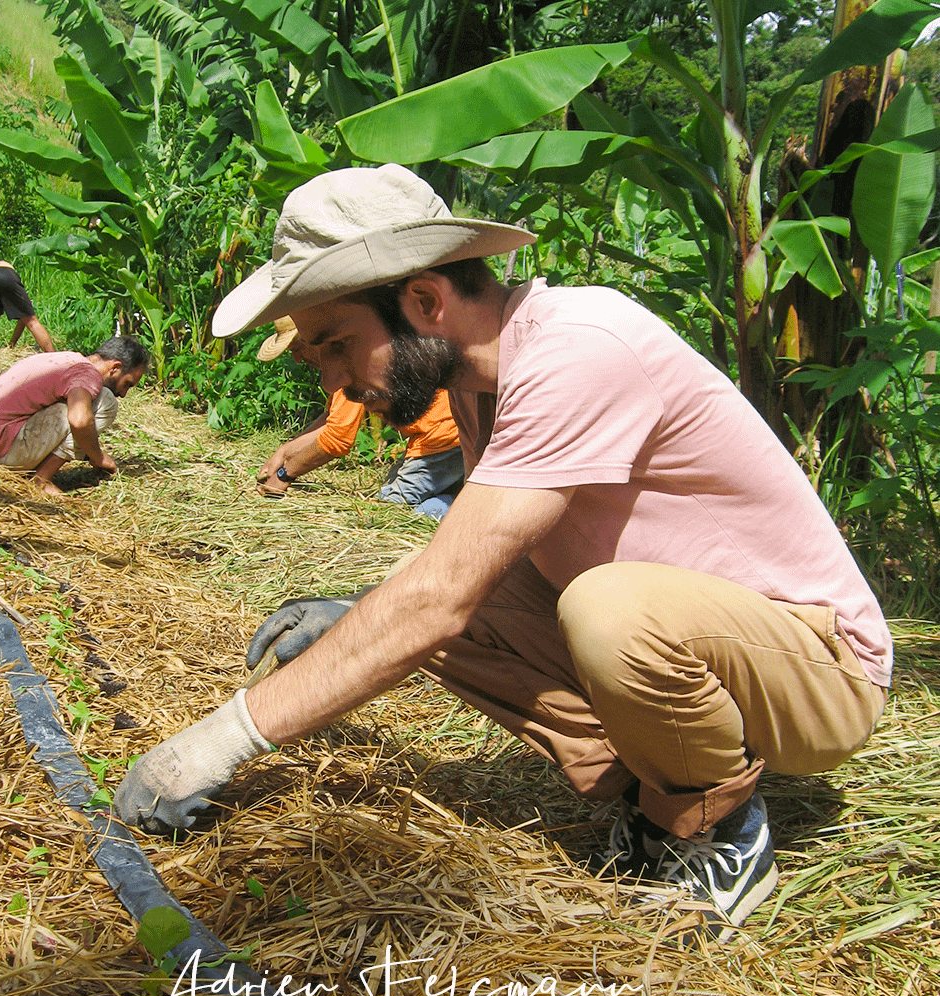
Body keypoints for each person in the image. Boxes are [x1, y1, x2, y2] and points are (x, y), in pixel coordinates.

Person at [115, 164, 891, 939]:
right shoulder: (478, 383)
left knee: (587, 610)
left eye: (337, 344)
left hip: (821, 667)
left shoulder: (578, 348)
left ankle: (714, 828)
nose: (336, 380)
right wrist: (360, 618)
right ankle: (648, 786)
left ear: (423, 300)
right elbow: (462, 579)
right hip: (704, 648)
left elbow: (442, 597)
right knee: (414, 592)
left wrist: (217, 743)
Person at [255, 316, 465, 518]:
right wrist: (284, 453)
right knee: (387, 499)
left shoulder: (348, 361)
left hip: (443, 437)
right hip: (446, 433)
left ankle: (464, 510)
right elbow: (331, 420)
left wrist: (285, 475)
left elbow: (337, 438)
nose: (297, 359)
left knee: (390, 514)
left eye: (297, 349)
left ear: (312, 339)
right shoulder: (351, 345)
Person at [0, 336, 149, 496]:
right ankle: (41, 480)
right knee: (105, 401)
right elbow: (79, 421)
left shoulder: (68, 359)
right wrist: (98, 457)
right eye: (127, 384)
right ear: (115, 367)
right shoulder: (87, 374)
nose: (124, 393)